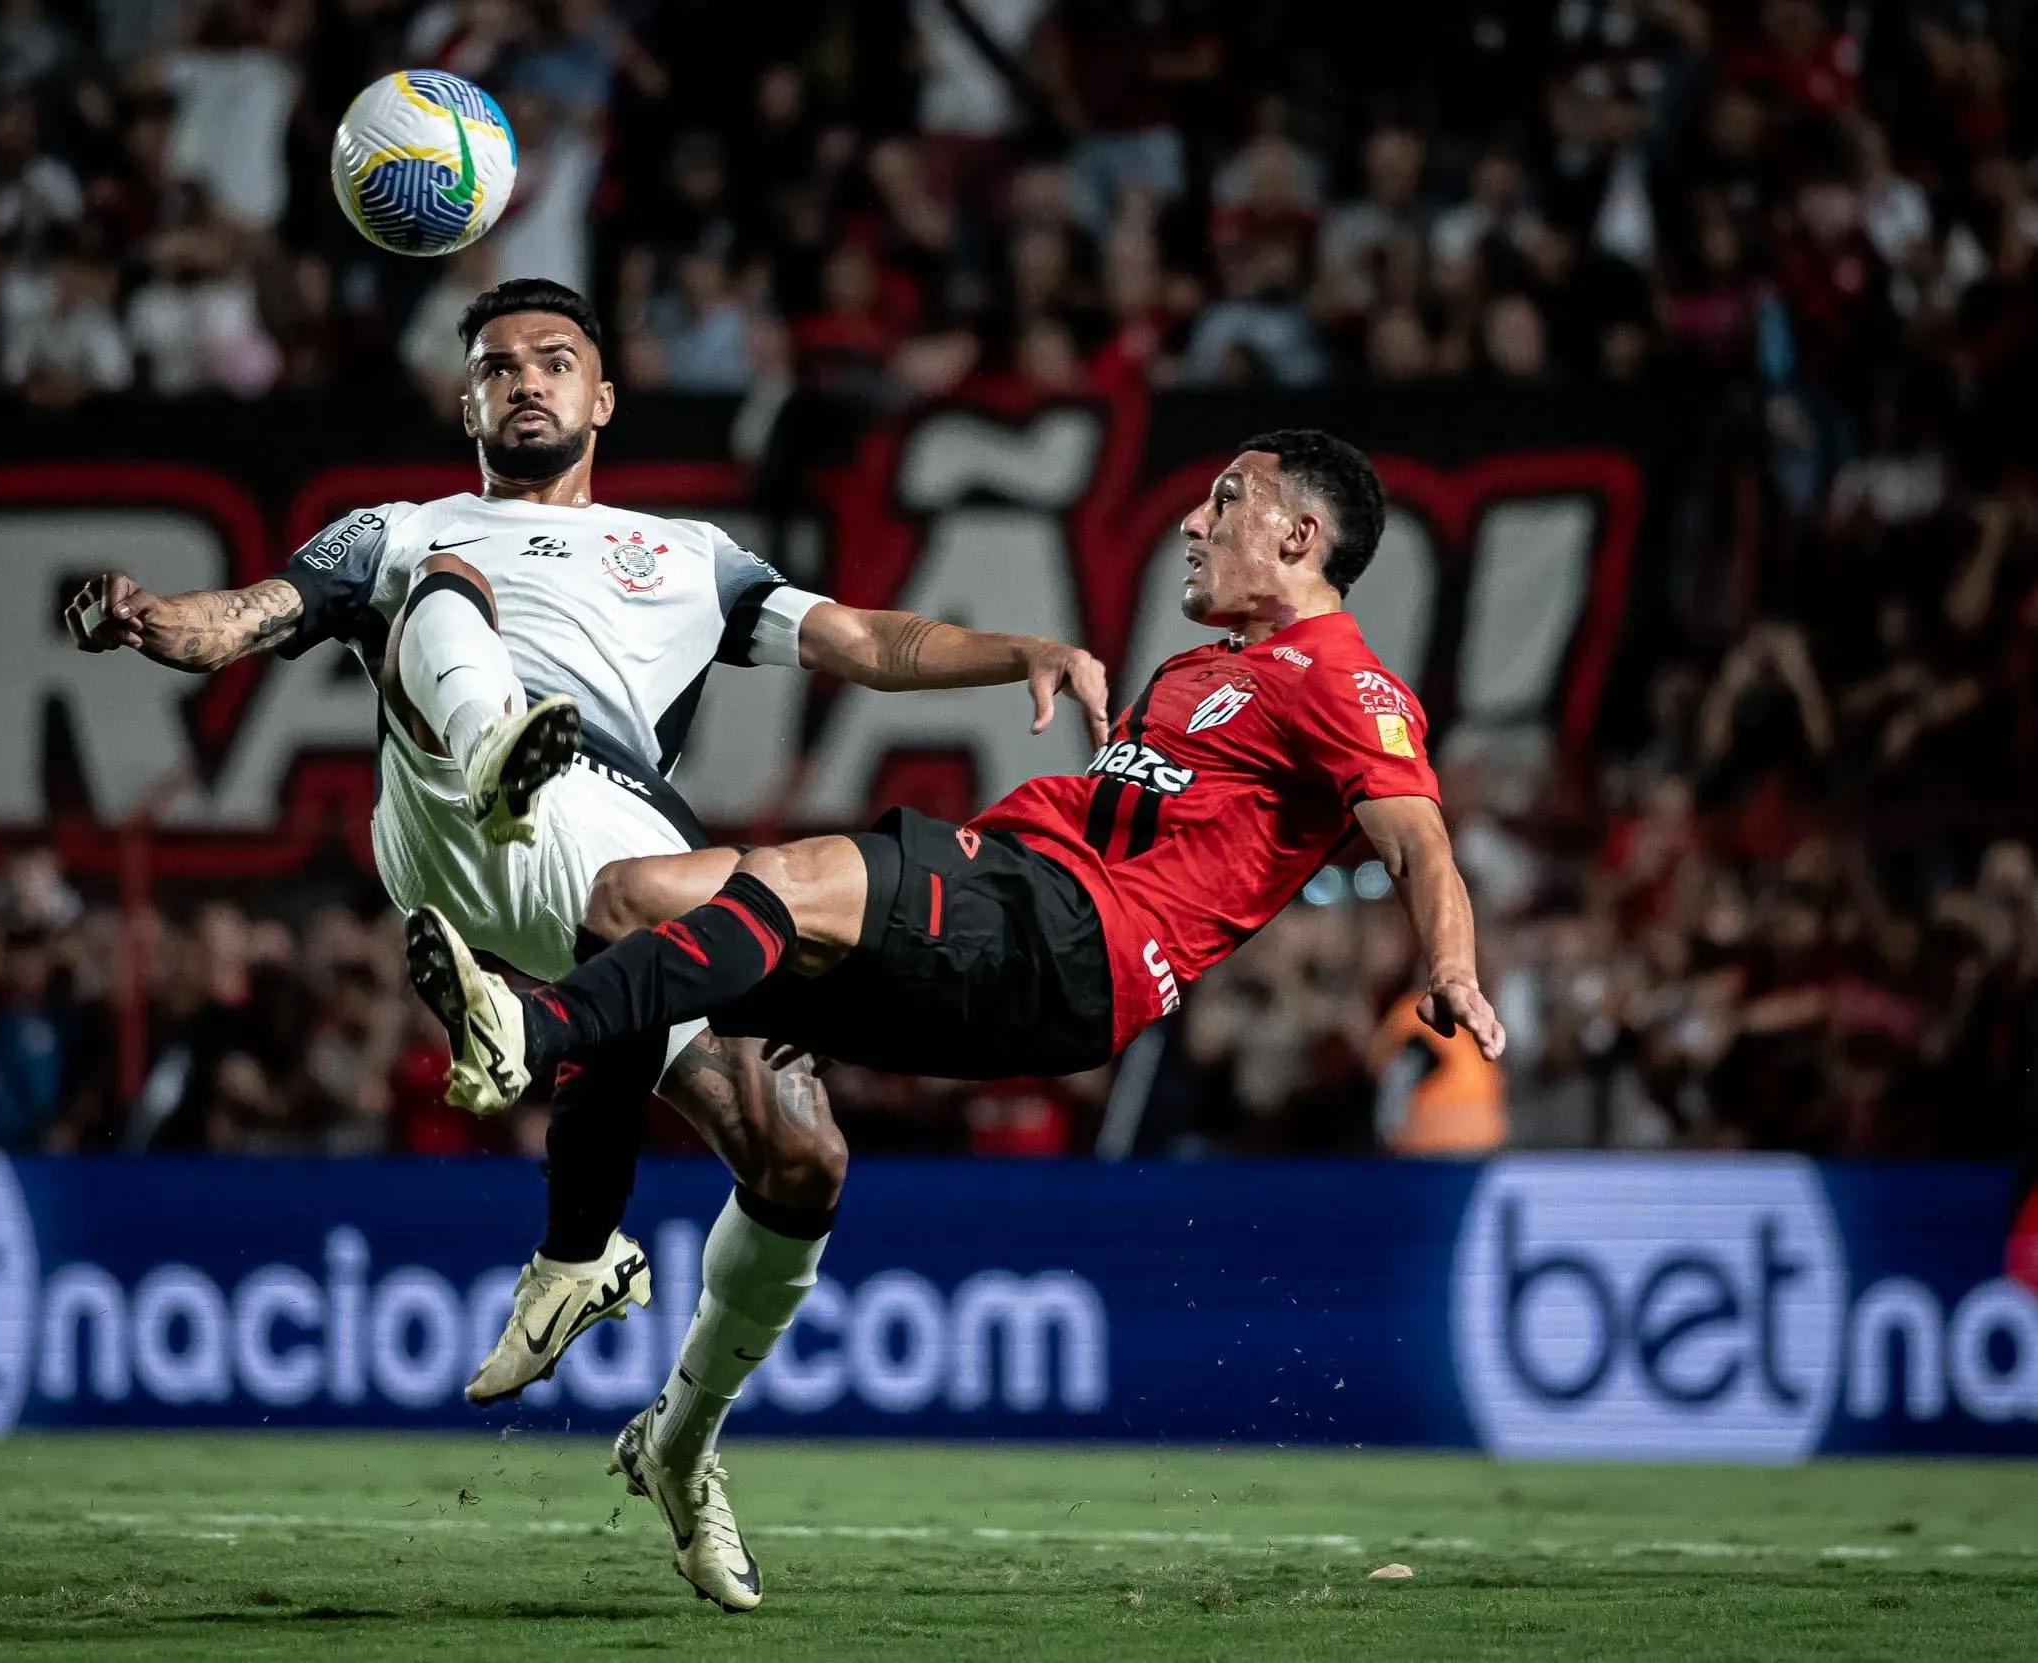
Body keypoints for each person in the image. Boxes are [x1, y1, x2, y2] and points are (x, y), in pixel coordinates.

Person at [63, 277, 1106, 1610]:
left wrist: (1012, 644)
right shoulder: (400, 527)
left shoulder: (686, 557)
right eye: (497, 367)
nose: (526, 382)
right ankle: (503, 746)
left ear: (603, 395)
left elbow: (865, 640)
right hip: (451, 819)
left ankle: (677, 1432)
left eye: (555, 361)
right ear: (467, 403)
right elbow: (241, 619)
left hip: (612, 875)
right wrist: (147, 617)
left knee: (802, 1153)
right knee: (444, 586)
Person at [408, 420, 1509, 1310]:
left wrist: (1450, 967)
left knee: (786, 883)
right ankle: (578, 1262)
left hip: (1077, 933)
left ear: (1299, 536)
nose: (1193, 518)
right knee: (633, 897)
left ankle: (531, 1032)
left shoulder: (1346, 685)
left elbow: (1419, 842)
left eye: (1226, 496)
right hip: (1030, 939)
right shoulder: (1192, 673)